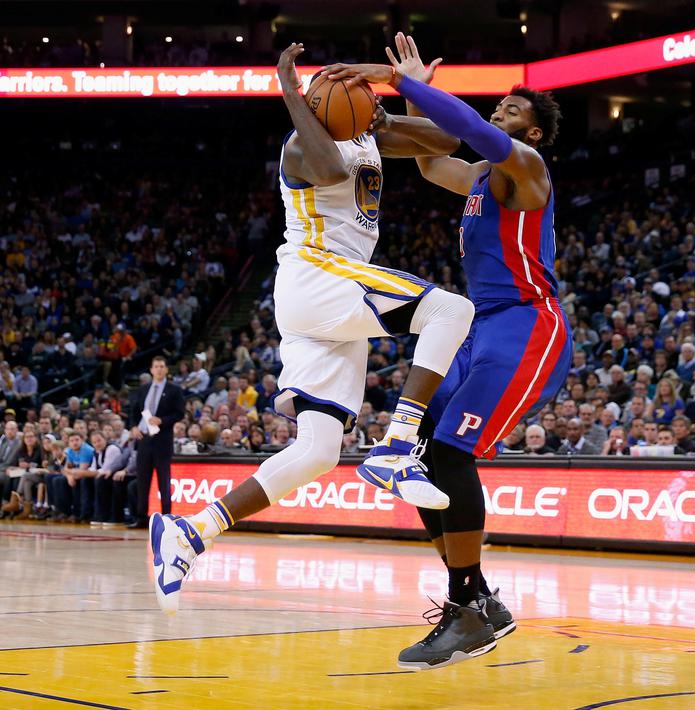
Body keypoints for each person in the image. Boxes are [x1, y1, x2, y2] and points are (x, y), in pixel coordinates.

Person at [147, 42, 472, 615]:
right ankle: (398, 444)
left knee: (319, 450)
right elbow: (327, 168)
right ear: (324, 105)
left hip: (326, 297)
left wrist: (406, 92)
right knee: (450, 310)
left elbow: (446, 142)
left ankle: (191, 532)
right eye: (355, 96)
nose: (365, 101)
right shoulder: (301, 144)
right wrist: (294, 94)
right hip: (317, 276)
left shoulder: (372, 131)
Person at [329, 33, 571, 669]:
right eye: (500, 107)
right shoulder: (476, 179)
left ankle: (465, 609)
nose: (501, 114)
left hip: (526, 325)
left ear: (535, 134)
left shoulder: (526, 170)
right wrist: (373, 120)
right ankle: (480, 599)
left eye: (515, 111)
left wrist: (397, 79)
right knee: (420, 458)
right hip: (482, 328)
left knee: (449, 451)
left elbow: (466, 129)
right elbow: (435, 156)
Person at [127, 357, 185, 527]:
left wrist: (163, 420)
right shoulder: (144, 389)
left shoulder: (174, 390)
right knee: (143, 480)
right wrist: (133, 427)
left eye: (162, 366)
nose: (159, 369)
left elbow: (179, 413)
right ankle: (141, 517)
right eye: (156, 367)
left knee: (164, 481)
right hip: (144, 439)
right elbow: (134, 411)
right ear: (151, 370)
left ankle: (167, 518)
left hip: (162, 440)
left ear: (166, 369)